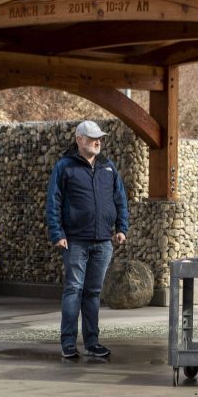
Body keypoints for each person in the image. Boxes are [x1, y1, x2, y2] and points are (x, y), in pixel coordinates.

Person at [46, 120, 129, 360]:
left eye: (100, 137)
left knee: (93, 292)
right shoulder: (65, 166)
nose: (98, 141)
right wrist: (57, 233)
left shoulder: (108, 167)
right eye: (92, 137)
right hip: (75, 241)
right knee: (74, 289)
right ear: (79, 139)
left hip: (103, 241)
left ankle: (92, 343)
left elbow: (120, 199)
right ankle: (69, 344)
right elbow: (54, 201)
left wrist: (121, 227)